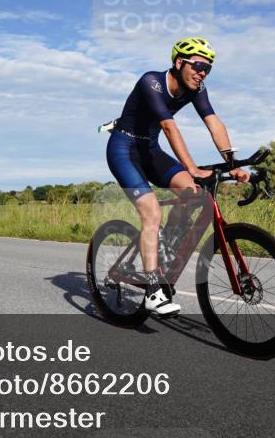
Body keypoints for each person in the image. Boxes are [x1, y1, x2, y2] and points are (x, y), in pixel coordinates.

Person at [105, 37, 249, 318]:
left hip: (150, 150)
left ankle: (166, 246)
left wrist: (231, 163)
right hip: (124, 149)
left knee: (193, 192)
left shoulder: (197, 88)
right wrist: (192, 166)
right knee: (152, 213)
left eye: (208, 68)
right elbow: (169, 128)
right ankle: (153, 291)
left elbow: (213, 122)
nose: (202, 73)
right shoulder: (152, 82)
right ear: (179, 62)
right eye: (197, 66)